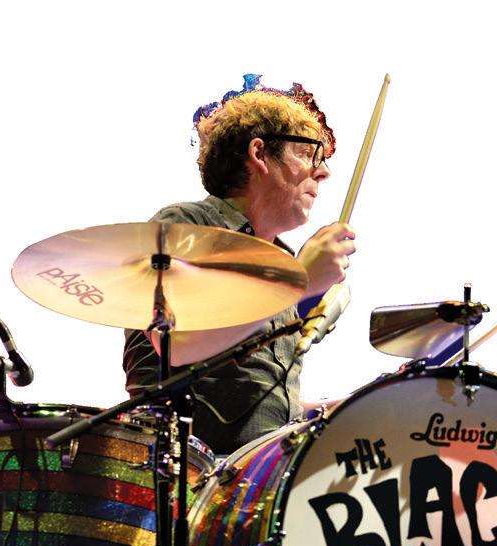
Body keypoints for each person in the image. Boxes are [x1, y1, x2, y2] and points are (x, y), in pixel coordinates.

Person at [123, 75, 356, 455]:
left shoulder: (281, 261)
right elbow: (176, 346)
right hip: (184, 469)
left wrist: (339, 411)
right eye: (308, 153)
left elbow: (258, 407)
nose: (323, 172)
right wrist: (296, 281)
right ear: (259, 153)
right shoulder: (187, 226)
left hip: (257, 470)